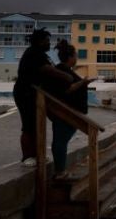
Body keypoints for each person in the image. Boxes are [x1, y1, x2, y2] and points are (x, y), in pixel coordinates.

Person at [14, 28, 73, 166]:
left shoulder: (42, 54)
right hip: (25, 94)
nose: (49, 43)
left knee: (37, 124)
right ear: (39, 42)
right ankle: (27, 156)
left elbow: (51, 68)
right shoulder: (33, 53)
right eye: (46, 41)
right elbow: (47, 69)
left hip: (37, 94)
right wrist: (66, 76)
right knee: (29, 125)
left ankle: (38, 154)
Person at [46, 40, 95, 178]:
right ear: (70, 57)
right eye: (75, 56)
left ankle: (60, 170)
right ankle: (60, 172)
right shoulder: (61, 71)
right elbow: (66, 90)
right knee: (60, 141)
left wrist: (83, 82)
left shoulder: (64, 70)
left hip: (69, 113)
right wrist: (83, 82)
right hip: (64, 113)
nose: (76, 58)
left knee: (61, 141)